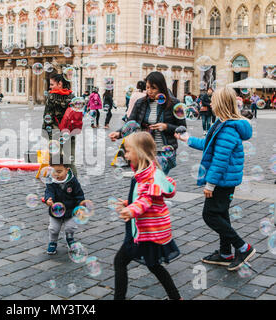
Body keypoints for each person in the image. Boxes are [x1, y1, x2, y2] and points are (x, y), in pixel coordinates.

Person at [175, 87, 255, 271]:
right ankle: (225, 253)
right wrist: (187, 139)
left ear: (220, 103)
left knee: (210, 215)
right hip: (225, 180)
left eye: (213, 100)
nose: (209, 103)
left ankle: (243, 247)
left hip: (222, 181)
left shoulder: (227, 129)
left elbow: (220, 160)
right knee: (222, 215)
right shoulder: (221, 123)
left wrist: (210, 184)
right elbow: (208, 144)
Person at [114, 131, 181, 300]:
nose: (125, 155)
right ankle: (175, 297)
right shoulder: (145, 172)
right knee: (154, 265)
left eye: (128, 151)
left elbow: (146, 200)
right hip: (147, 229)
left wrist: (132, 210)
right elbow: (142, 200)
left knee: (120, 262)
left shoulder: (150, 177)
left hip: (145, 233)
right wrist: (129, 205)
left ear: (140, 152)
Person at [109, 71, 186, 174]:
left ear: (161, 87)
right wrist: (119, 133)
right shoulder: (141, 103)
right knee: (143, 181)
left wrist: (166, 126)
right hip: (145, 150)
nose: (149, 91)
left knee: (155, 179)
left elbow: (182, 128)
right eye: (147, 87)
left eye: (153, 88)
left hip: (164, 151)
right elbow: (132, 122)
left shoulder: (174, 103)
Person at [44, 156, 85, 255]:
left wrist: (80, 206)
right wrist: (48, 199)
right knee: (53, 229)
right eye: (54, 171)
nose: (56, 175)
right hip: (55, 210)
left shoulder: (72, 181)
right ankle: (52, 242)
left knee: (70, 228)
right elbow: (49, 192)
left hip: (71, 210)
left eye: (59, 171)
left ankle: (70, 240)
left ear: (67, 170)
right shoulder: (51, 180)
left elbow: (79, 194)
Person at [42, 73, 77, 176]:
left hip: (55, 132)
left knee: (55, 161)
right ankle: (73, 183)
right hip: (70, 132)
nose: (50, 87)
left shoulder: (52, 96)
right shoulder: (72, 97)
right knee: (70, 161)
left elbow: (47, 117)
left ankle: (54, 184)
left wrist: (46, 133)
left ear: (60, 84)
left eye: (52, 84)